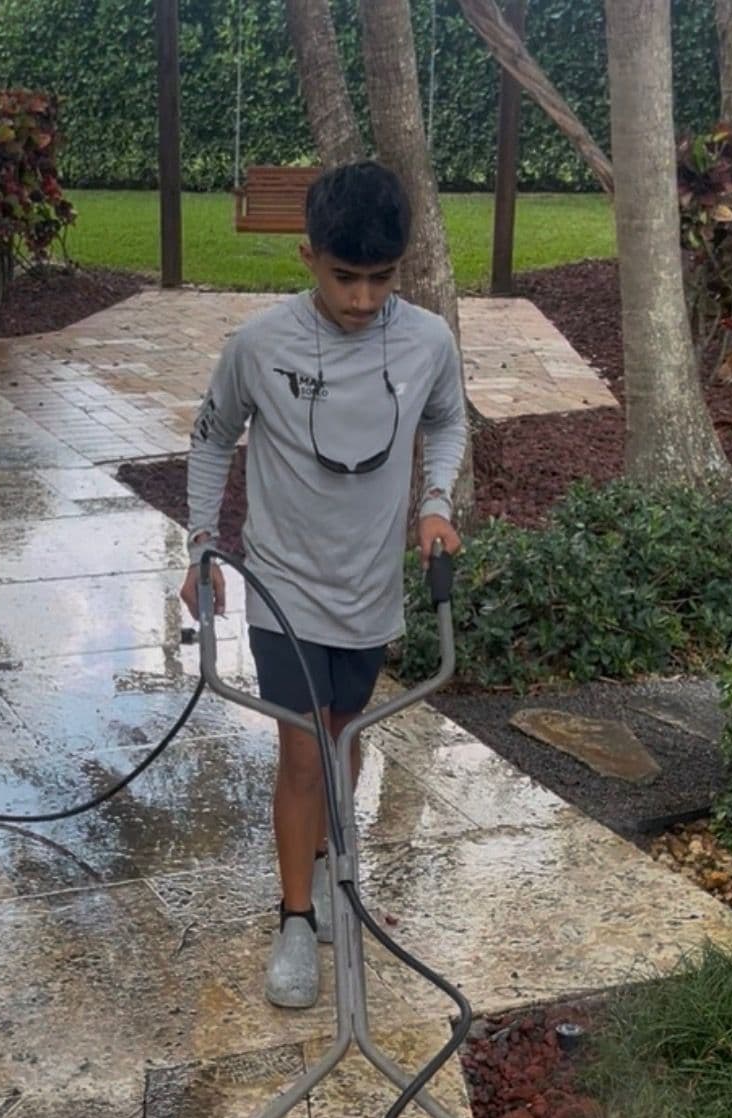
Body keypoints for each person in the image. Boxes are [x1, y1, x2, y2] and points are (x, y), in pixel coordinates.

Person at [181, 160, 466, 1009]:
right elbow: (208, 439)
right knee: (303, 751)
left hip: (369, 584)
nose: (364, 298)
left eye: (382, 278)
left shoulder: (427, 343)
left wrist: (436, 502)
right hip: (283, 587)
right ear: (307, 256)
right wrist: (201, 546)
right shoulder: (259, 345)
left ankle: (333, 866)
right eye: (346, 277)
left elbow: (448, 420)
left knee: (345, 738)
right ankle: (297, 919)